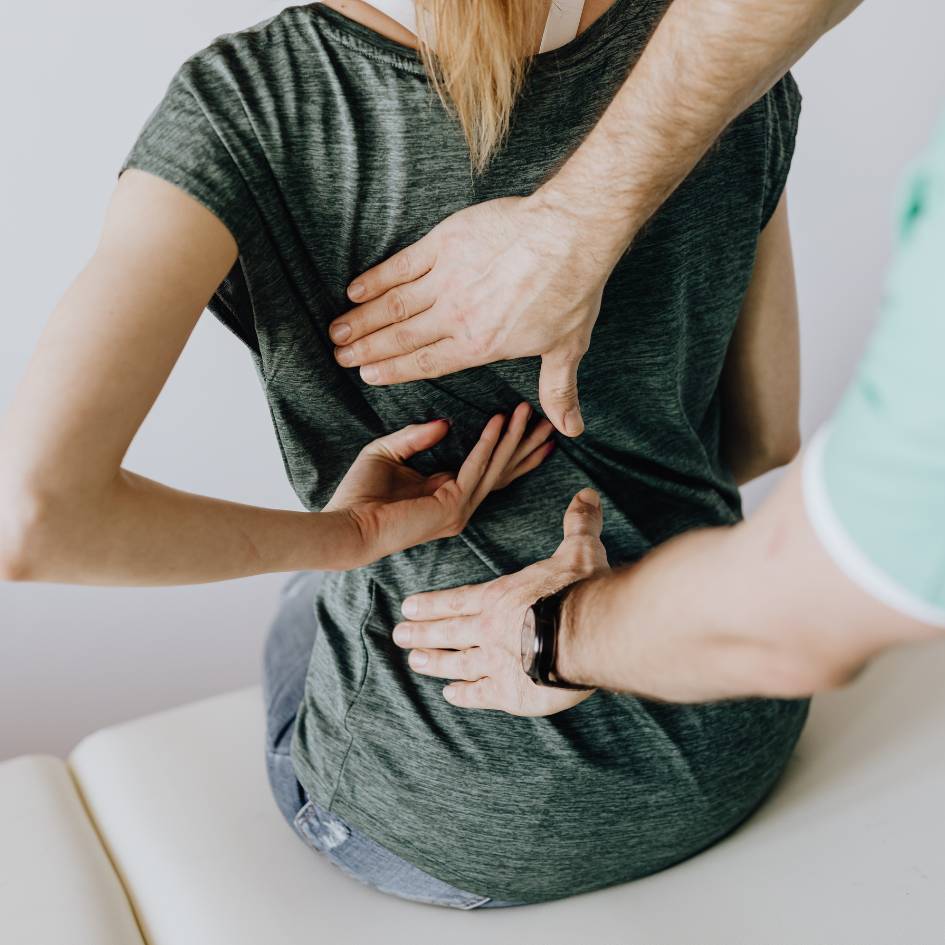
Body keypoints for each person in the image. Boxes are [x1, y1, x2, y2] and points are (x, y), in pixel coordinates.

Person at [0, 0, 806, 910]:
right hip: (732, 728)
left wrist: (350, 535)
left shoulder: (247, 104)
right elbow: (762, 436)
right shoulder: (717, 43)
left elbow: (37, 516)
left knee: (301, 592)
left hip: (467, 820)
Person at [395, 107, 945, 706]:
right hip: (732, 722)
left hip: (467, 759)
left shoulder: (291, 91)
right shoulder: (749, 104)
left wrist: (554, 635)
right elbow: (768, 441)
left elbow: (802, 623)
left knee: (313, 608)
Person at [328, 0, 864, 437]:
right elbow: (768, 439)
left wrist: (353, 537)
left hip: (396, 572)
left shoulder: (274, 89)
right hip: (678, 553)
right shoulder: (728, 59)